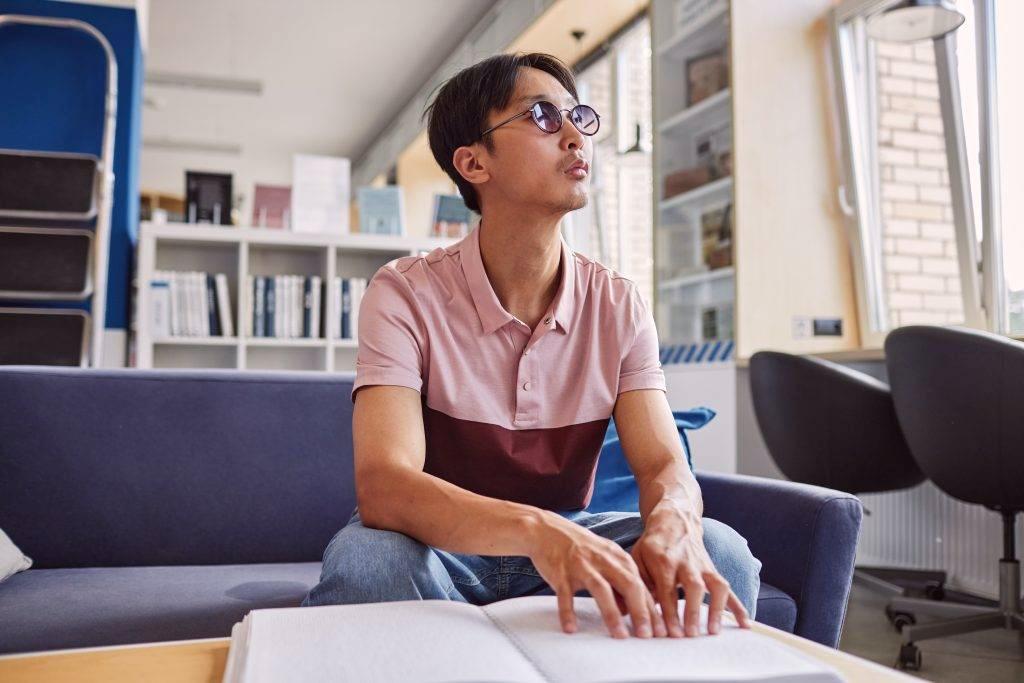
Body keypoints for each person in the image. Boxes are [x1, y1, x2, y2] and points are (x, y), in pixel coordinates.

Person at [303, 52, 761, 640]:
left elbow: (663, 464)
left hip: (572, 532)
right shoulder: (403, 293)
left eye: (580, 117)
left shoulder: (618, 304)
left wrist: (674, 521)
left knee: (720, 549)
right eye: (543, 117)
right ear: (473, 162)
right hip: (437, 549)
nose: (576, 137)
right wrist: (538, 531)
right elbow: (385, 489)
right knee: (368, 560)